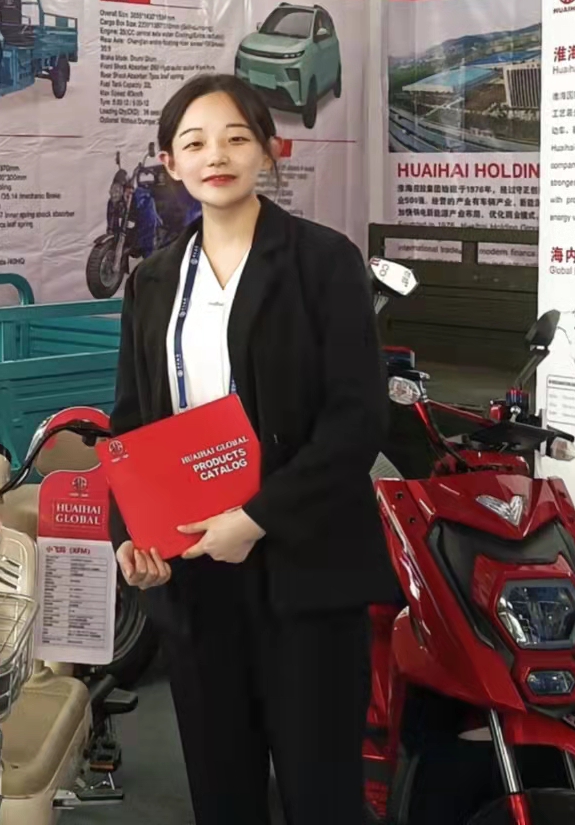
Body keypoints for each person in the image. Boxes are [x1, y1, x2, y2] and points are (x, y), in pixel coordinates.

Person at [111, 73, 395, 825]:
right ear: (170, 162)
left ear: (269, 150)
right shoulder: (153, 281)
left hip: (305, 570)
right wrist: (133, 535)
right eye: (195, 142)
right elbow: (132, 422)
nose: (217, 156)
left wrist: (257, 517)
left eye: (237, 137)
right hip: (196, 577)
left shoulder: (323, 262)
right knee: (223, 793)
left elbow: (357, 419)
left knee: (320, 795)